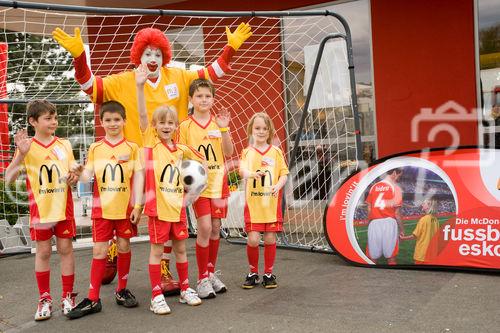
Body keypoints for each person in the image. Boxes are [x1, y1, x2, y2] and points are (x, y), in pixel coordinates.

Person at [52, 23, 252, 293]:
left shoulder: (178, 77)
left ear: (165, 56)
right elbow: (89, 86)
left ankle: (165, 267)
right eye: (147, 53)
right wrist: (79, 56)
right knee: (122, 212)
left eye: (158, 54)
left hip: (169, 162)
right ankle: (113, 251)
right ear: (138, 56)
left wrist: (230, 49)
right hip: (130, 161)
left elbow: (210, 75)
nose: (153, 59)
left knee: (169, 216)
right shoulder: (124, 80)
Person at [136, 66, 205, 314]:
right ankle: (156, 295)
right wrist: (140, 86)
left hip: (178, 208)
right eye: (162, 123)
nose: (166, 126)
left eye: (170, 123)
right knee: (157, 250)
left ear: (176, 125)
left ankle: (185, 287)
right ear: (155, 126)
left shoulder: (181, 150)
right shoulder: (151, 144)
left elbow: (201, 165)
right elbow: (142, 115)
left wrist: (193, 189)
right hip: (158, 208)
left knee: (180, 248)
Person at [66, 101, 144, 319]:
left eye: (117, 120)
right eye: (108, 120)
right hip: (102, 210)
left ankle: (121, 290)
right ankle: (93, 298)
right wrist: (80, 172)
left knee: (124, 246)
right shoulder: (95, 148)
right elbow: (86, 176)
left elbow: (138, 178)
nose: (113, 124)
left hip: (125, 209)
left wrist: (138, 205)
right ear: (101, 122)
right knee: (99, 251)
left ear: (124, 121)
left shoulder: (132, 148)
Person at [5, 100, 79, 321]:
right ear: (33, 121)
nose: (53, 122)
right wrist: (20, 155)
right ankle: (44, 298)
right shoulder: (26, 147)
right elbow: (9, 179)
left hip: (63, 209)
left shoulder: (64, 144)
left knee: (66, 250)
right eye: (48, 118)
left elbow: (74, 175)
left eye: (55, 117)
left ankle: (67, 296)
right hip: (40, 211)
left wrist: (76, 176)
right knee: (43, 253)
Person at [178, 79, 233, 299]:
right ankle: (201, 278)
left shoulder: (218, 123)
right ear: (191, 99)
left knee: (216, 227)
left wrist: (225, 129)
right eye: (199, 96)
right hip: (198, 187)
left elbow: (228, 152)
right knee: (204, 227)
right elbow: (180, 156)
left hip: (218, 183)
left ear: (213, 99)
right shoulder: (185, 126)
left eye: (207, 96)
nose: (203, 100)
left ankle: (210, 272)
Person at [239, 112, 289, 289]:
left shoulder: (275, 152)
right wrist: (252, 174)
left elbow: (284, 173)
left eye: (264, 128)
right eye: (257, 128)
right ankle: (253, 272)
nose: (261, 131)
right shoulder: (247, 152)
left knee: (269, 239)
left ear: (270, 131)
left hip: (271, 205)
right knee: (252, 240)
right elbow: (242, 171)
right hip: (253, 206)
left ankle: (268, 273)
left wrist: (278, 185)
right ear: (251, 130)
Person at [364, 168, 404, 265]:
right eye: (399, 175)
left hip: (374, 223)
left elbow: (369, 208)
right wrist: (402, 229)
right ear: (394, 173)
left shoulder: (374, 187)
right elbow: (397, 213)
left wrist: (370, 222)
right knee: (391, 257)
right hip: (389, 223)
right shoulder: (396, 188)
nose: (398, 178)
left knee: (372, 257)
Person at [400, 196, 440, 264]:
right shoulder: (435, 219)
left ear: (428, 206)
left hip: (422, 253)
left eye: (424, 203)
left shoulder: (423, 219)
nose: (422, 205)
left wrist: (403, 238)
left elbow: (415, 235)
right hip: (432, 253)